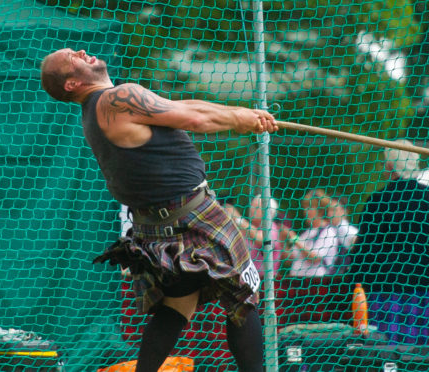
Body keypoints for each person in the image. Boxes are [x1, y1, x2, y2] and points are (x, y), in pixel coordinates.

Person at [40, 48, 278, 372]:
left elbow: (183, 108)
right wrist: (240, 120)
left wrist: (240, 114)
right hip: (192, 216)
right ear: (71, 84)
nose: (82, 51)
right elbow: (195, 119)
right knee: (243, 294)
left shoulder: (97, 111)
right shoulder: (118, 98)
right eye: (72, 57)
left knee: (177, 304)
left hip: (155, 228)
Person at [350, 142, 429, 345]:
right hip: (417, 286)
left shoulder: (377, 200)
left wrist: (352, 279)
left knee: (381, 348)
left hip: (381, 287)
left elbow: (363, 249)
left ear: (391, 166)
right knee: (412, 352)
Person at [281, 189, 341, 277]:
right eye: (305, 208)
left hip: (316, 285)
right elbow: (288, 259)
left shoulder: (328, 232)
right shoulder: (306, 233)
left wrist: (294, 238)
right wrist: (283, 240)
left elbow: (314, 258)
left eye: (310, 207)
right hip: (298, 283)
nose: (306, 211)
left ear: (320, 210)